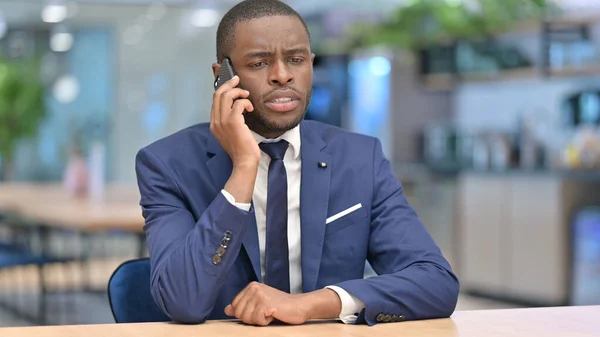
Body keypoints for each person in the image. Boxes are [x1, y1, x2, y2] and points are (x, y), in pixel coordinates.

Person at [135, 0, 459, 327]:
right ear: (223, 77)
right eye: (260, 63)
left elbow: (435, 283)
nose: (282, 75)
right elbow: (182, 300)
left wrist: (310, 305)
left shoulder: (360, 158)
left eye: (296, 60)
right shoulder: (167, 164)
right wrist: (245, 166)